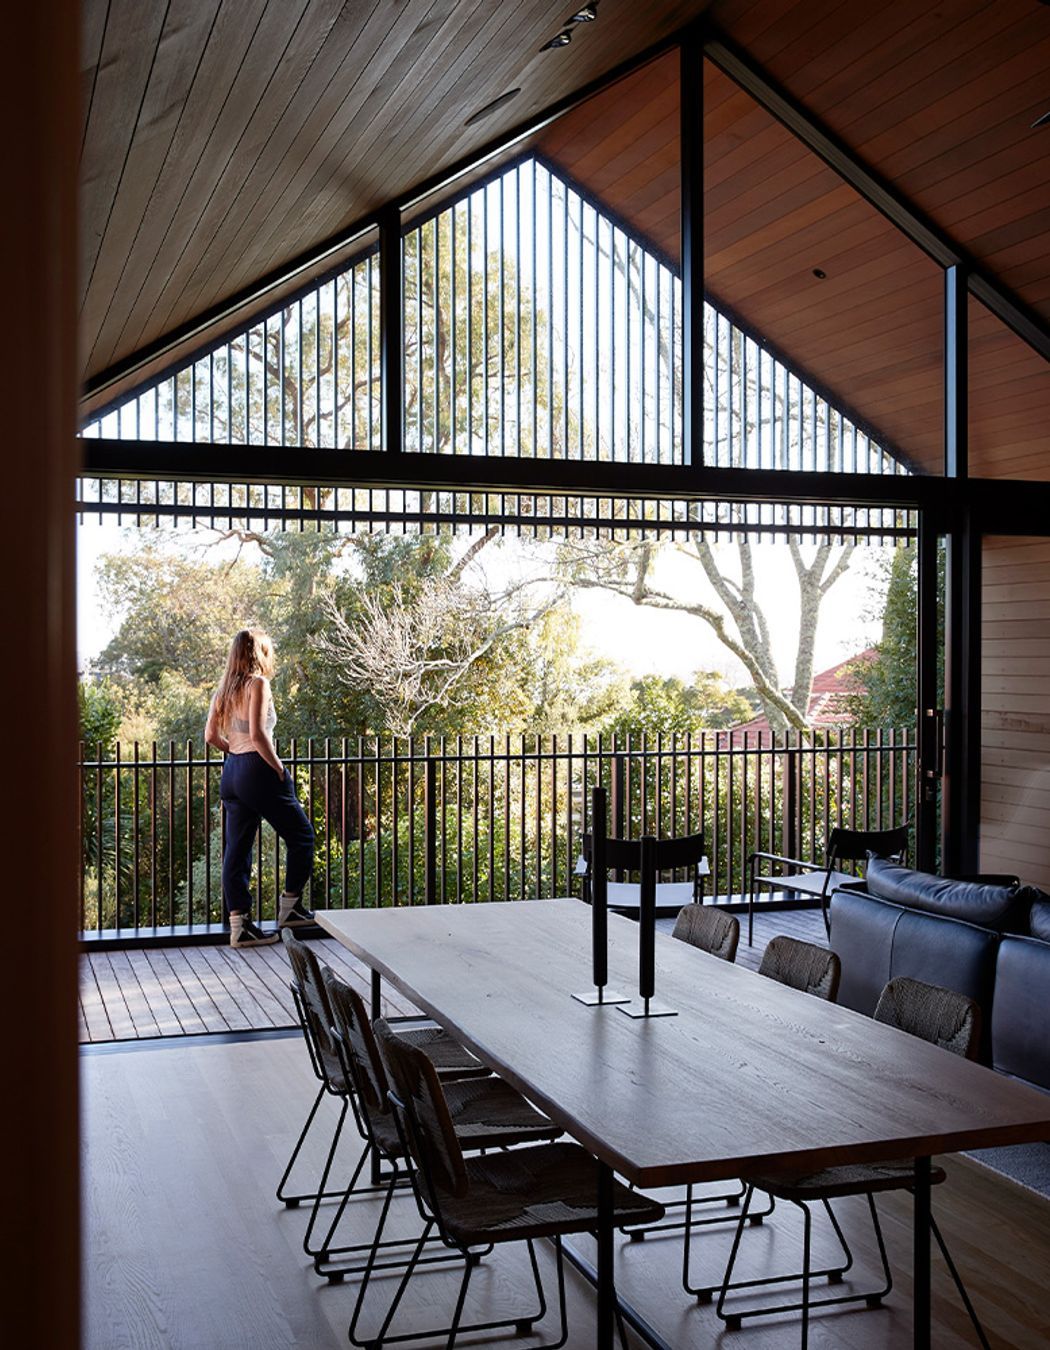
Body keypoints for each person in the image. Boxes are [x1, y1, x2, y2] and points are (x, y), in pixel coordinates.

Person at [205, 629, 315, 948]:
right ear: (259, 653)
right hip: (257, 768)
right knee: (302, 836)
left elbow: (210, 736)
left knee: (236, 850)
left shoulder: (223, 690)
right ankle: (290, 909)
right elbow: (257, 734)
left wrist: (236, 753)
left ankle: (240, 927)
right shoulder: (258, 684)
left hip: (232, 773)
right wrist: (278, 768)